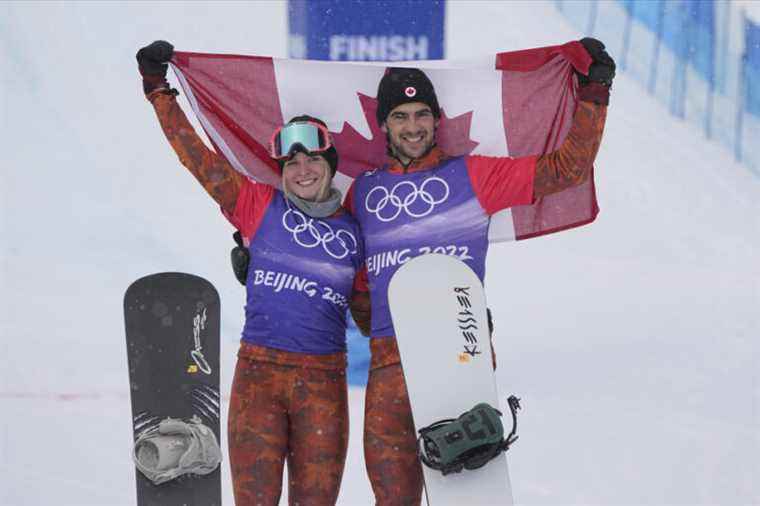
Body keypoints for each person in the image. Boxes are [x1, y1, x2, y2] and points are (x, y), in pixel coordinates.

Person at [344, 38, 615, 505]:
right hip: (391, 365)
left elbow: (568, 168)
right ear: (384, 125)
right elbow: (355, 285)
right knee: (392, 500)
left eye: (423, 114)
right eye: (401, 117)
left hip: (456, 357)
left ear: (436, 119)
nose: (414, 126)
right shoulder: (363, 194)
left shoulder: (473, 176)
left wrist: (594, 94)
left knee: (471, 496)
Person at [136, 40, 368, 506]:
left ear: (330, 166)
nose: (302, 169)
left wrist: (441, 331)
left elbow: (370, 319)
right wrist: (158, 89)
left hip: (323, 383)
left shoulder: (356, 234)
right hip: (258, 377)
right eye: (292, 162)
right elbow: (195, 157)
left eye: (313, 160)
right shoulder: (258, 206)